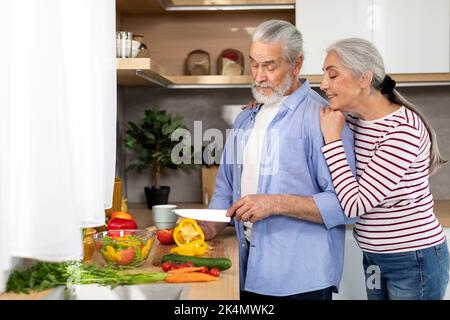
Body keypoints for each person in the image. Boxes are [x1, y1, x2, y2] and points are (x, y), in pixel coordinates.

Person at [199, 20, 356, 300]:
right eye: (253, 64)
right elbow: (225, 186)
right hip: (249, 272)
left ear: (296, 65)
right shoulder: (246, 117)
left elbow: (345, 205)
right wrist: (210, 225)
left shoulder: (324, 118)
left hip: (300, 280)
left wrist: (274, 203)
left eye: (269, 66)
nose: (258, 76)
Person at [319, 37, 449, 300]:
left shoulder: (402, 130)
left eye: (333, 75)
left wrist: (332, 140)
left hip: (414, 260)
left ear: (364, 78)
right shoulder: (353, 121)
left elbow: (355, 204)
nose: (323, 85)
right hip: (374, 257)